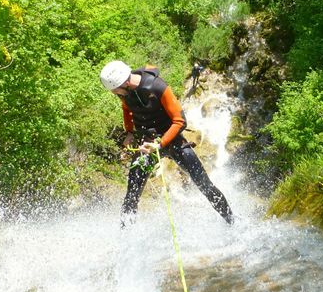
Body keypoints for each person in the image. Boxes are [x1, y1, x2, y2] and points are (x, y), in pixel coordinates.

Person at [100, 60, 234, 226]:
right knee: (132, 194)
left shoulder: (157, 87)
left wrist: (160, 144)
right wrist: (129, 132)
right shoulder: (125, 93)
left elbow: (180, 121)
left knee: (204, 184)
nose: (115, 94)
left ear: (125, 83)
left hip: (172, 140)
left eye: (115, 90)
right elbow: (127, 110)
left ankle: (232, 221)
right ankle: (125, 235)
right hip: (147, 143)